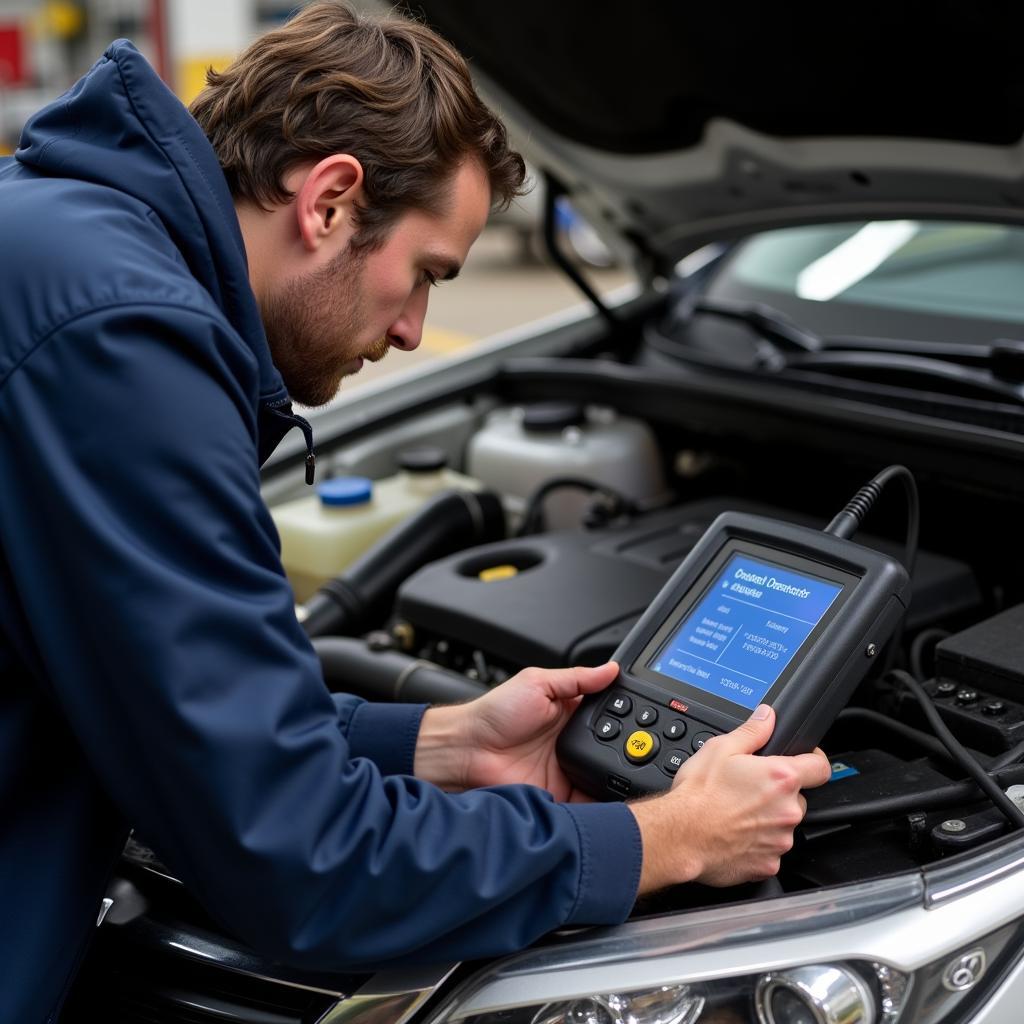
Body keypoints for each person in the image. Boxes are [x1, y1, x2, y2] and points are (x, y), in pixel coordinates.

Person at [0, 2, 831, 1019]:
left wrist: (436, 740)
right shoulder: (122, 344)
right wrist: (661, 840)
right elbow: (301, 859)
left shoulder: (60, 241)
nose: (411, 330)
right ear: (331, 201)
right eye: (426, 275)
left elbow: (163, 702)